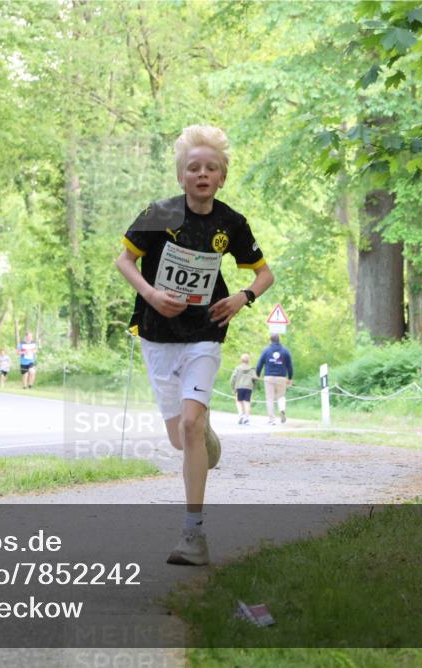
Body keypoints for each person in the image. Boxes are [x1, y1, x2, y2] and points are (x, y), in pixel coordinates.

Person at [114, 124, 274, 566]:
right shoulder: (159, 213)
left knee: (187, 426)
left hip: (205, 331)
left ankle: (193, 534)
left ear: (222, 177)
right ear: (181, 176)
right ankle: (203, 433)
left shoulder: (231, 223)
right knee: (179, 437)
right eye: (193, 168)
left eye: (211, 168)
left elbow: (264, 274)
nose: (202, 174)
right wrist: (150, 295)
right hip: (157, 334)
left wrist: (242, 298)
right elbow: (125, 260)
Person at [255, 334, 293, 425]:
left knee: (270, 398)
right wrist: (290, 378)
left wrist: (257, 374)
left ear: (270, 340)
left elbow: (259, 363)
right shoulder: (285, 351)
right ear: (279, 340)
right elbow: (290, 366)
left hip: (269, 377)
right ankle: (282, 409)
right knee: (281, 396)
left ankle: (272, 419)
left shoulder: (266, 350)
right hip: (281, 377)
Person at [230, 353, 258, 425]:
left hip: (240, 387)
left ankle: (241, 415)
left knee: (239, 401)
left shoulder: (238, 368)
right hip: (248, 387)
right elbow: (255, 378)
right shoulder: (252, 369)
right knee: (247, 402)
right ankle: (246, 418)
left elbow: (233, 378)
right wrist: (254, 385)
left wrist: (233, 388)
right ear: (248, 360)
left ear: (241, 360)